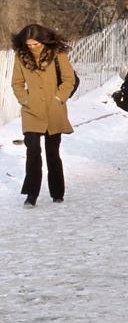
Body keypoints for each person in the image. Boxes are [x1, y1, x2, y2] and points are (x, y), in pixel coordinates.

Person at [10, 24, 75, 207]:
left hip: (53, 110)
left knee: (52, 153)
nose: (32, 48)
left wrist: (59, 97)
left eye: (36, 45)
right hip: (31, 111)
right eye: (29, 45)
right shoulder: (21, 57)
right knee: (32, 151)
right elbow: (17, 83)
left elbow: (69, 79)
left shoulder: (57, 54)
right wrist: (25, 100)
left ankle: (57, 191)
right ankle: (31, 194)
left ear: (43, 41)